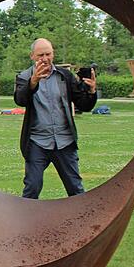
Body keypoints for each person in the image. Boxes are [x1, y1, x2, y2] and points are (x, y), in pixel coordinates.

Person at [14, 38, 98, 199]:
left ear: (53, 54)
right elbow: (20, 99)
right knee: (32, 187)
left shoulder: (64, 76)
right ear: (32, 56)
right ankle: (26, 222)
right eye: (40, 55)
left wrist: (92, 91)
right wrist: (33, 81)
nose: (45, 58)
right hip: (37, 142)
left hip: (64, 141)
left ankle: (83, 222)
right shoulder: (24, 77)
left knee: (75, 188)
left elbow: (84, 105)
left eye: (48, 54)